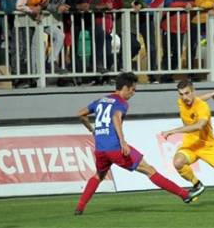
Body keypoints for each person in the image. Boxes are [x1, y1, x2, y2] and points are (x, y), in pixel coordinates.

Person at [74, 72, 203, 214]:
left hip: (100, 149)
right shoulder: (121, 103)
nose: (133, 93)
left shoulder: (102, 100)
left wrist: (93, 130)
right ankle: (185, 195)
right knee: (149, 170)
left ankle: (80, 207)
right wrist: (122, 142)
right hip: (115, 147)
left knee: (99, 175)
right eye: (133, 89)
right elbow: (116, 118)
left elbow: (81, 114)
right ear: (125, 88)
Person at [161, 0, 196, 82]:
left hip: (180, 28)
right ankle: (165, 74)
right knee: (167, 51)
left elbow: (194, 3)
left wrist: (189, 4)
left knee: (178, 51)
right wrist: (184, 5)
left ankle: (171, 73)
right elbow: (169, 4)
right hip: (168, 26)